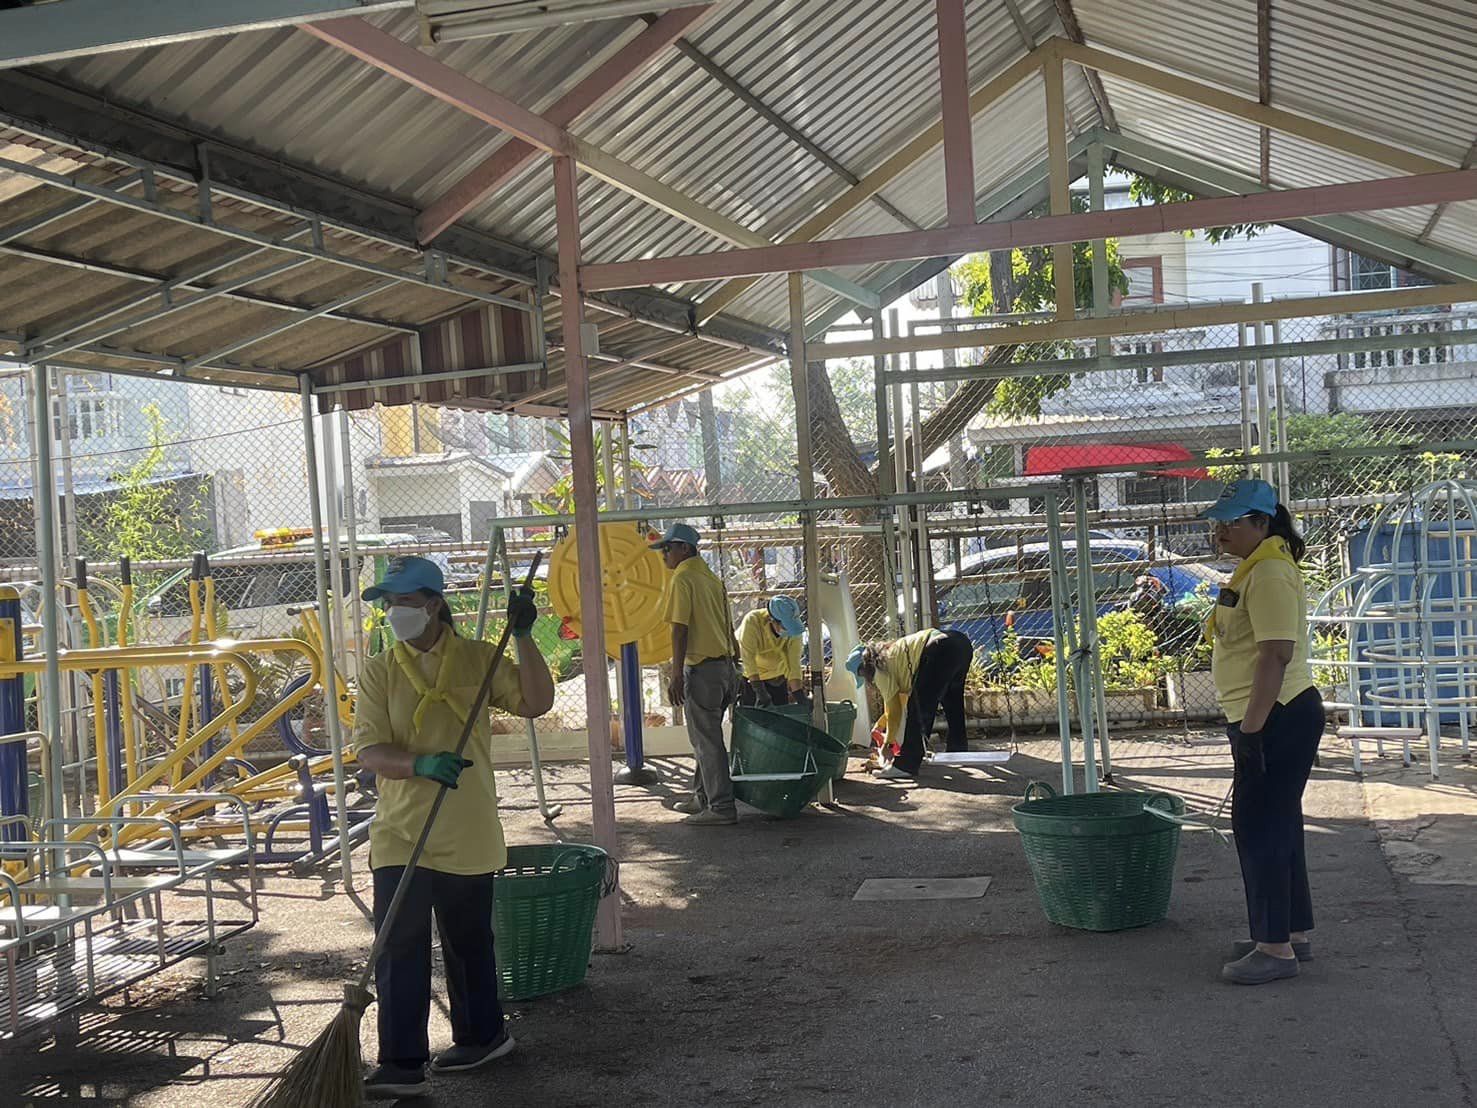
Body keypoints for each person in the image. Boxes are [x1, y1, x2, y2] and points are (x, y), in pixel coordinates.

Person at [352, 555, 555, 1098]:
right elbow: (368, 750)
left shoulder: (478, 659)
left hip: (465, 826)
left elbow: (536, 702)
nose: (395, 612)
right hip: (400, 832)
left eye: (405, 601)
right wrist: (418, 764)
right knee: (399, 943)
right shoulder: (379, 671)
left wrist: (523, 639)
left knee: (467, 940)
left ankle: (483, 1036)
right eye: (389, 603)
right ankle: (401, 1063)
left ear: (434, 604)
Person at [1202, 479, 1322, 986]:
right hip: (1274, 713)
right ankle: (1288, 933)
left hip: (1275, 714)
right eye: (1219, 522)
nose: (1221, 531)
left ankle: (1274, 949)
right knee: (1279, 823)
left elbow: (1275, 654)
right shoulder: (1258, 567)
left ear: (1262, 522)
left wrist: (1252, 730)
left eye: (1233, 522)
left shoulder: (1269, 571)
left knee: (1259, 827)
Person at [652, 523, 740, 826]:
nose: (664, 554)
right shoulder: (711, 579)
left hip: (702, 669)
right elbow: (729, 627)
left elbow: (679, 629)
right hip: (724, 668)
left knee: (707, 742)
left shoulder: (683, 578)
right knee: (707, 737)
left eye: (667, 548)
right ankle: (702, 798)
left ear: (684, 548)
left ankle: (721, 806)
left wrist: (676, 674)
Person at [845, 627, 973, 780]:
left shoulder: (878, 668)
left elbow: (895, 710)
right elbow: (897, 703)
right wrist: (880, 725)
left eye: (861, 675)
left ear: (864, 667)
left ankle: (906, 765)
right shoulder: (892, 655)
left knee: (919, 708)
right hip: (960, 643)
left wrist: (888, 745)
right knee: (952, 700)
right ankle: (957, 750)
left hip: (939, 648)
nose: (866, 680)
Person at [736, 596, 810, 709]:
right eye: (785, 626)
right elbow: (748, 658)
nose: (788, 630)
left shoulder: (794, 631)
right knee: (751, 714)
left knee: (780, 714)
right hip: (752, 678)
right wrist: (760, 691)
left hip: (777, 676)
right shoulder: (753, 621)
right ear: (772, 620)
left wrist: (799, 695)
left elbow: (794, 663)